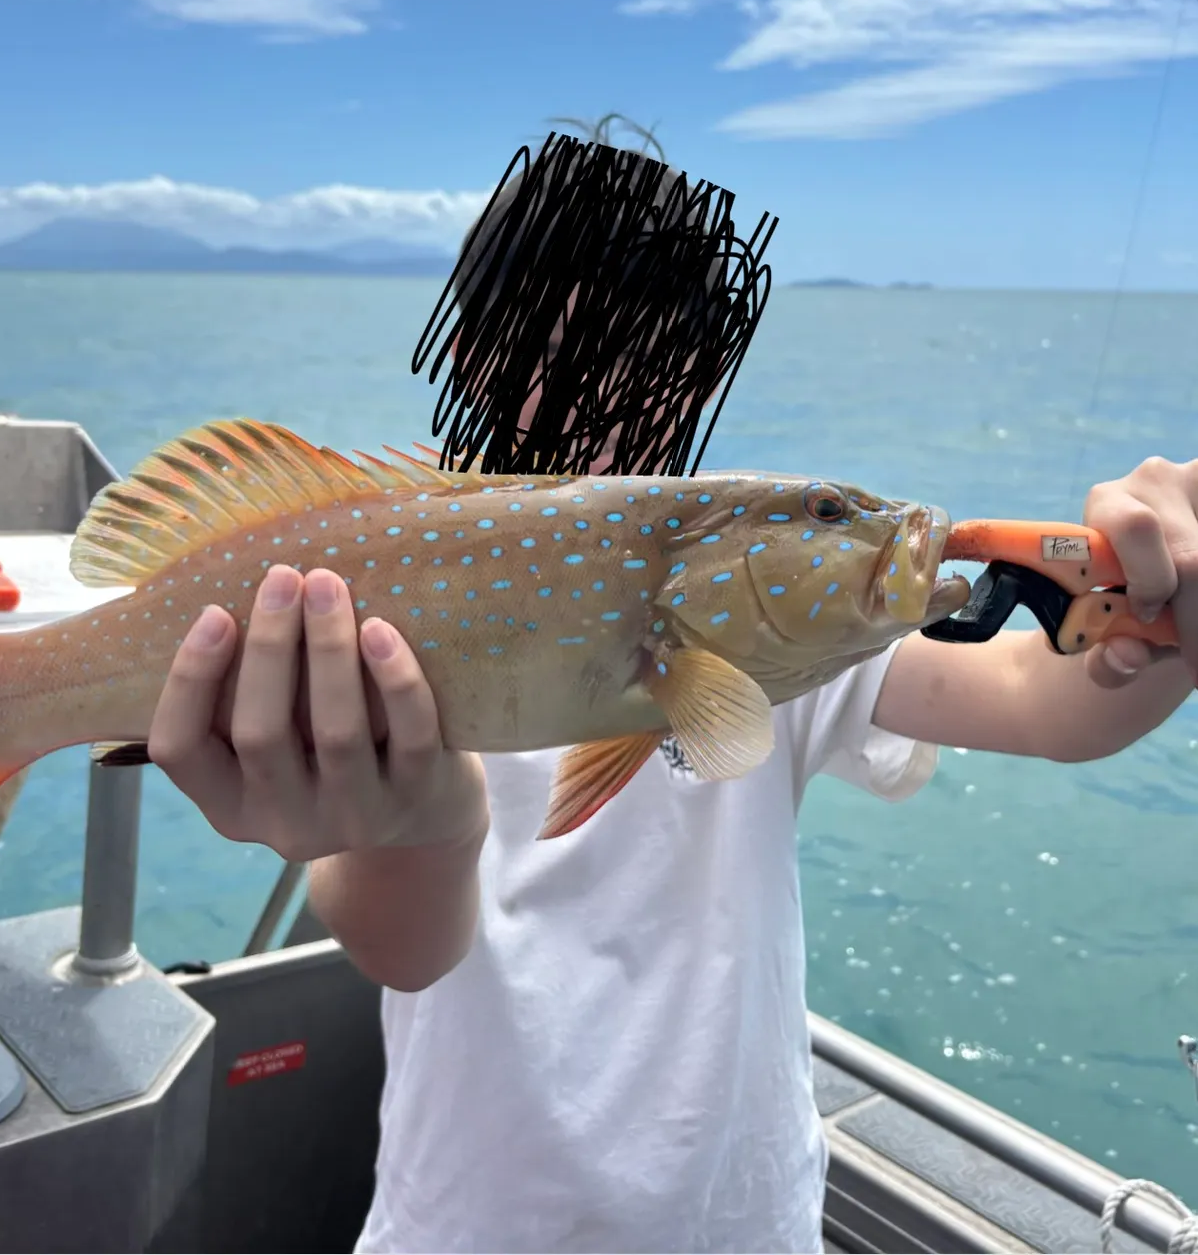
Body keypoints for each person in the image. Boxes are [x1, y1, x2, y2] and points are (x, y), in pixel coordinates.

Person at [146, 152, 1198, 1254]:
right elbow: (400, 944)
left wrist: (1164, 616)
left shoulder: (766, 604)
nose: (619, 399)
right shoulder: (379, 601)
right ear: (475, 355)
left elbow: (1046, 703)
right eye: (569, 355)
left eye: (662, 370)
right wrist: (428, 824)